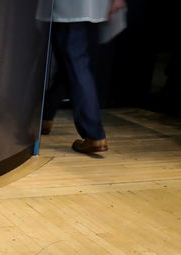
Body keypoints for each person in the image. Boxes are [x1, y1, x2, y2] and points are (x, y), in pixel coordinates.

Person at [41, 0, 126, 154]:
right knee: (67, 61)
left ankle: (94, 134)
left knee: (75, 62)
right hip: (94, 6)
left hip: (72, 7)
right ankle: (45, 116)